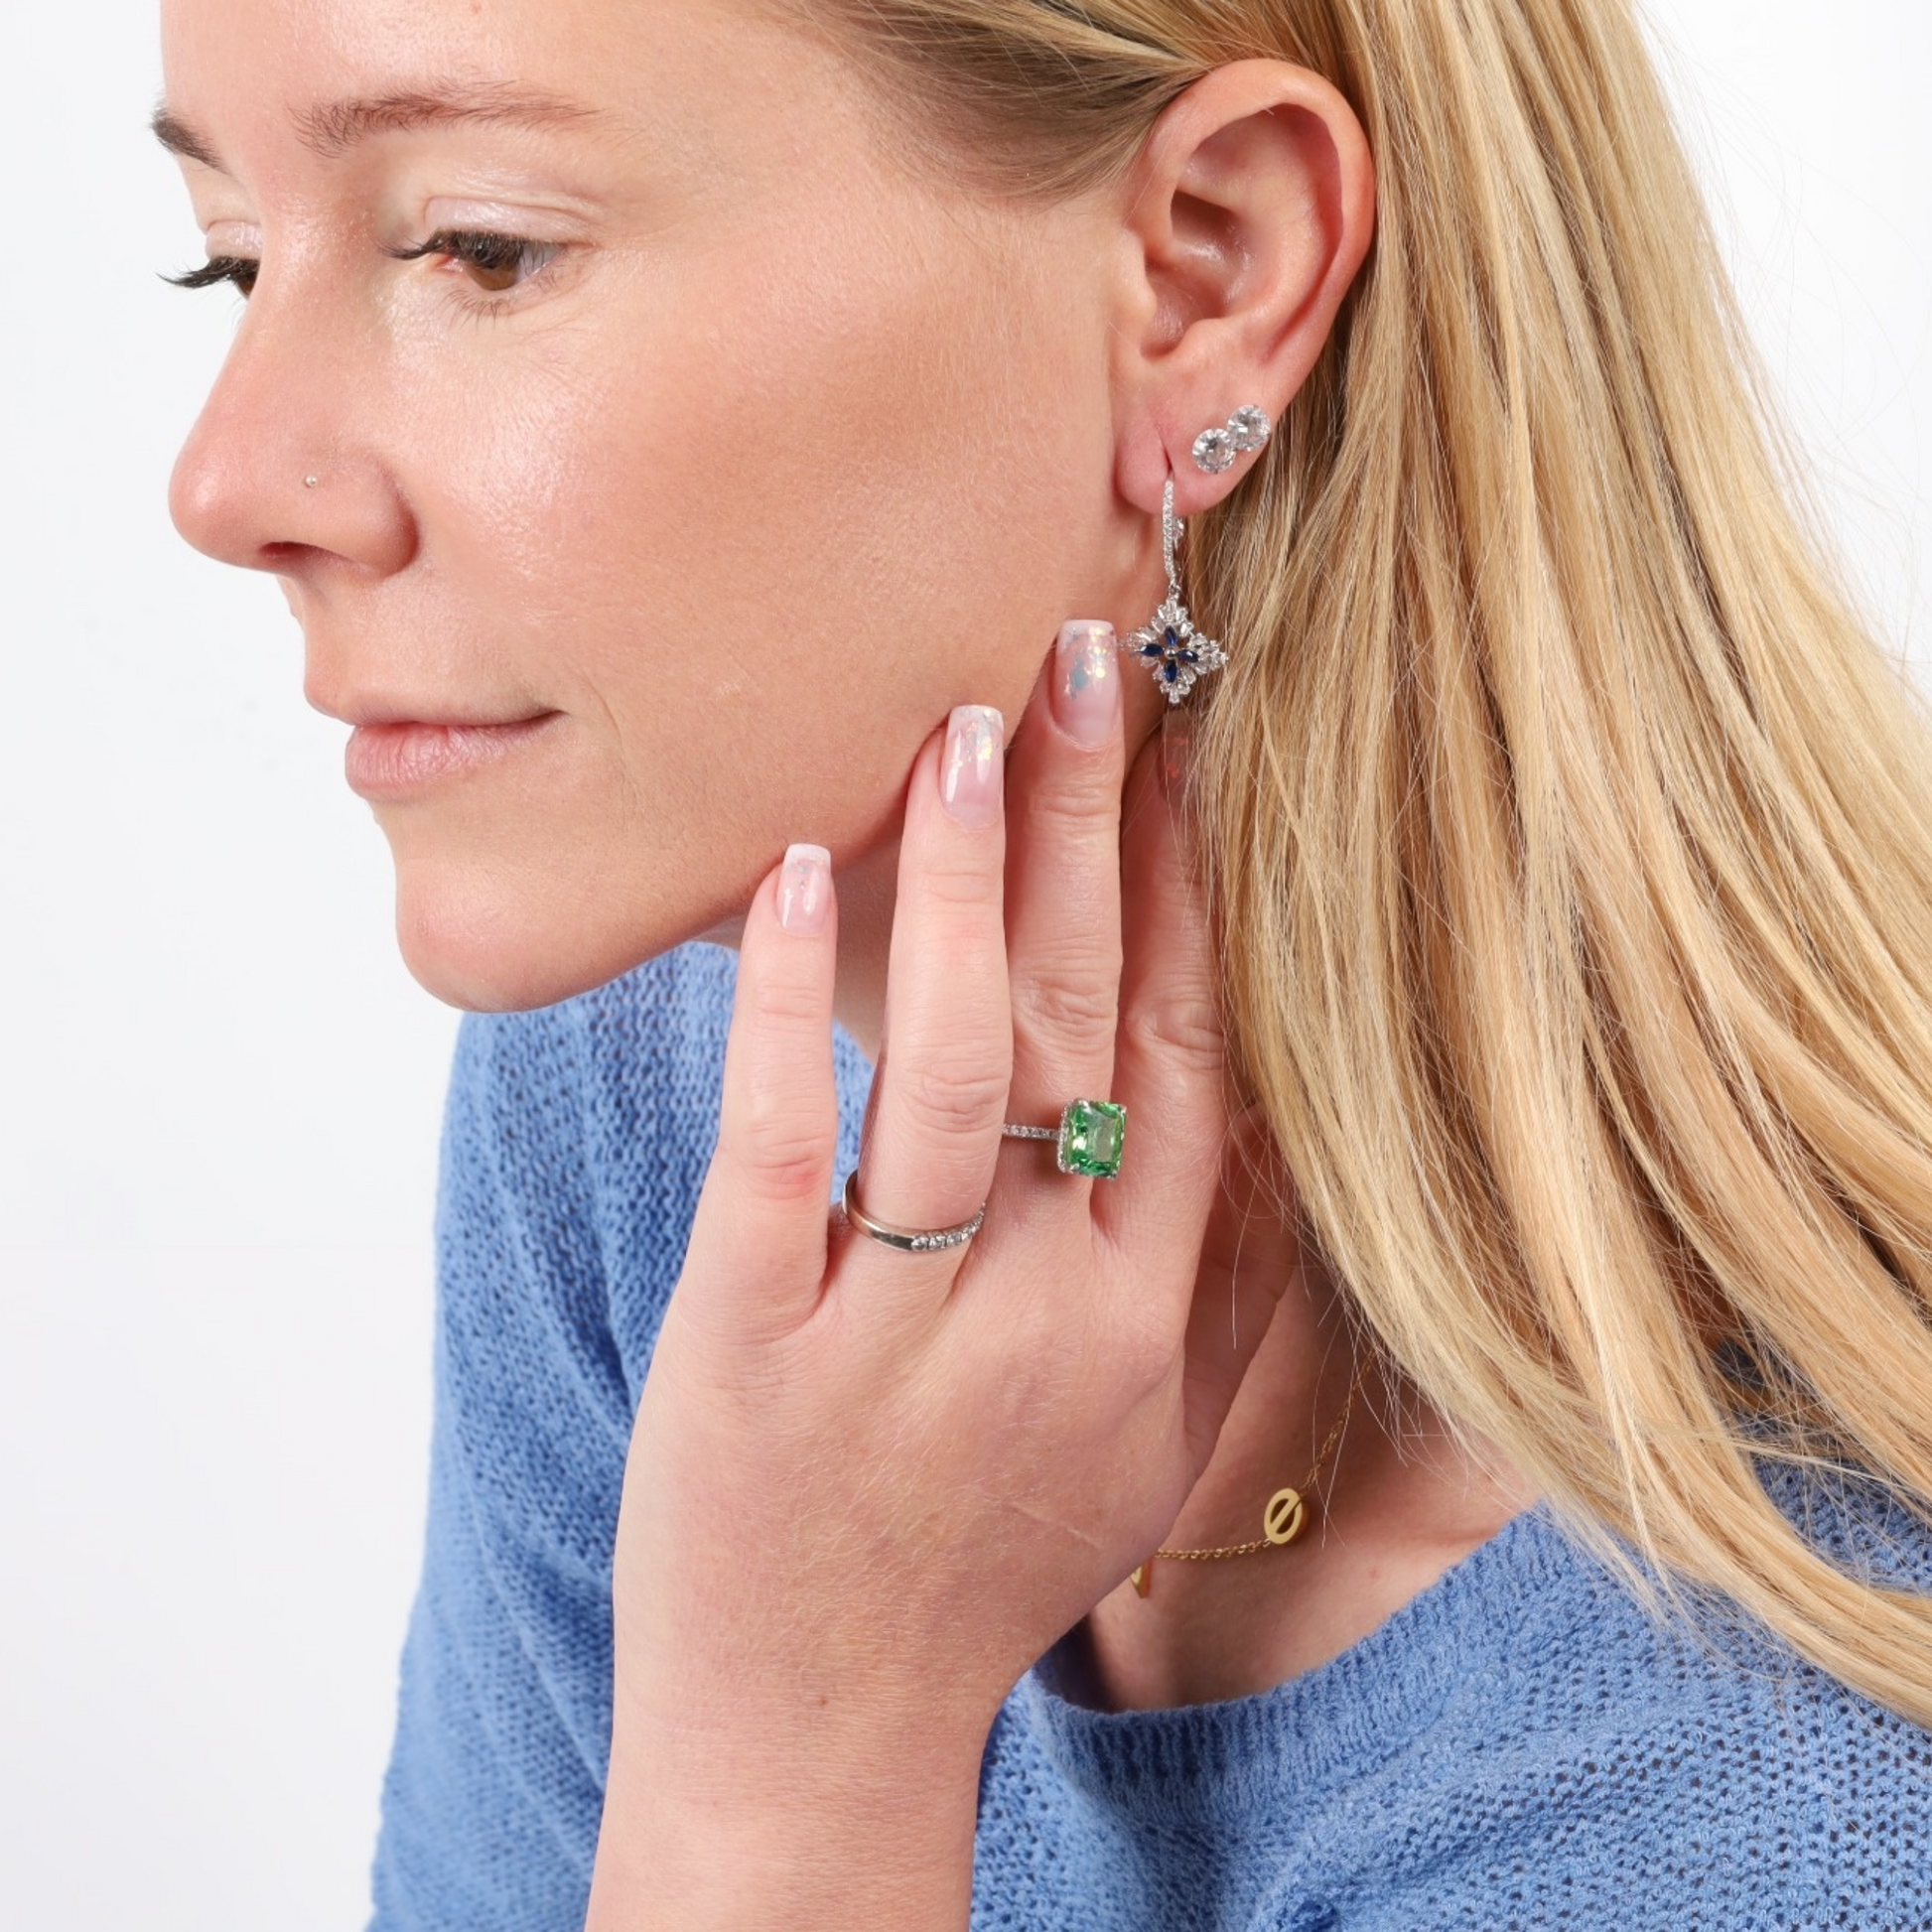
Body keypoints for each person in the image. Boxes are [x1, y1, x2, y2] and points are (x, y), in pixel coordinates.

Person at [151, 0, 1932, 1923]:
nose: (226, 483)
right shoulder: (670, 1072)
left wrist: (788, 1791)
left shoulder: (1784, 1799)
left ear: (1204, 278)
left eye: (479, 247)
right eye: (228, 256)